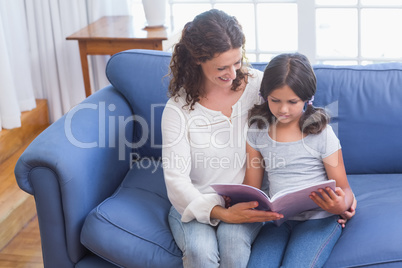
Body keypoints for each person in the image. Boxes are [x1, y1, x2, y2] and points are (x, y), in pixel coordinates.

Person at [161, 9, 284, 268]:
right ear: (197, 60)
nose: (232, 73)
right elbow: (176, 182)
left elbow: (292, 120)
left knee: (233, 248)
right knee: (200, 252)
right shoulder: (178, 110)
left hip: (247, 199)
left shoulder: (257, 86)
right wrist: (221, 213)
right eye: (221, 67)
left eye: (237, 62)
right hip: (195, 200)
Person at [244, 53, 356, 268]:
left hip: (319, 219)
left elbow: (345, 189)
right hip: (277, 220)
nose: (283, 109)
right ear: (264, 95)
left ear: (307, 98)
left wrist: (341, 204)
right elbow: (252, 187)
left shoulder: (322, 134)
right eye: (275, 100)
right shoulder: (257, 131)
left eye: (292, 102)